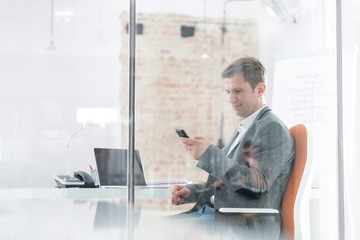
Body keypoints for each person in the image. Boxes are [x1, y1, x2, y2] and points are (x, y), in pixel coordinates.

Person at [169, 57, 295, 239]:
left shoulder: (271, 128)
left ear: (260, 89)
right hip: (217, 216)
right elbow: (225, 183)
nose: (230, 99)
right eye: (228, 91)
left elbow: (256, 185)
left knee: (148, 230)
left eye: (237, 91)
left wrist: (210, 155)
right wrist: (191, 193)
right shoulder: (244, 127)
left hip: (239, 226)